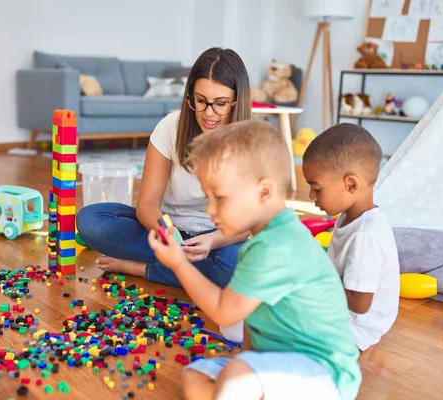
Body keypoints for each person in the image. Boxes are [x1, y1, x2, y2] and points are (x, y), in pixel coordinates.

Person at [148, 120, 361, 400]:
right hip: (278, 362)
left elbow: (225, 312)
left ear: (264, 192)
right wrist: (244, 359)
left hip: (324, 372)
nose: (210, 210)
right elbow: (253, 316)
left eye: (219, 198)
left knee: (236, 379)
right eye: (208, 197)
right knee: (196, 375)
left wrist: (179, 263)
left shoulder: (278, 245)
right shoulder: (262, 239)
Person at [76, 47, 252, 288]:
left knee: (229, 272)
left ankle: (142, 268)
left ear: (236, 101)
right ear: (190, 95)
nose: (208, 113)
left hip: (219, 239)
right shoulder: (171, 127)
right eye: (200, 101)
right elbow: (147, 204)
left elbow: (246, 222)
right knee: (90, 221)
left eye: (220, 104)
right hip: (168, 230)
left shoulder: (251, 142)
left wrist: (211, 240)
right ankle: (186, 267)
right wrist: (167, 232)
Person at [302, 123, 400, 351]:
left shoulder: (366, 237)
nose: (310, 195)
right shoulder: (348, 216)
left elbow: (360, 304)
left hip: (356, 328)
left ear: (351, 184)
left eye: (317, 189)